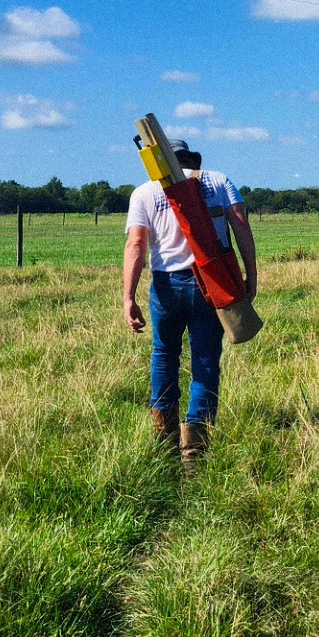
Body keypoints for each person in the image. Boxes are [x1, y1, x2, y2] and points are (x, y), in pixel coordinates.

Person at [122, 143, 258, 468]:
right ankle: (194, 453)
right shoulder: (218, 180)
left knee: (164, 355)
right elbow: (240, 225)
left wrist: (128, 297)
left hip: (166, 285)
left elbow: (137, 244)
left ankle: (165, 441)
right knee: (206, 362)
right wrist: (250, 277)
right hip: (210, 283)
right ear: (192, 159)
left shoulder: (144, 192)